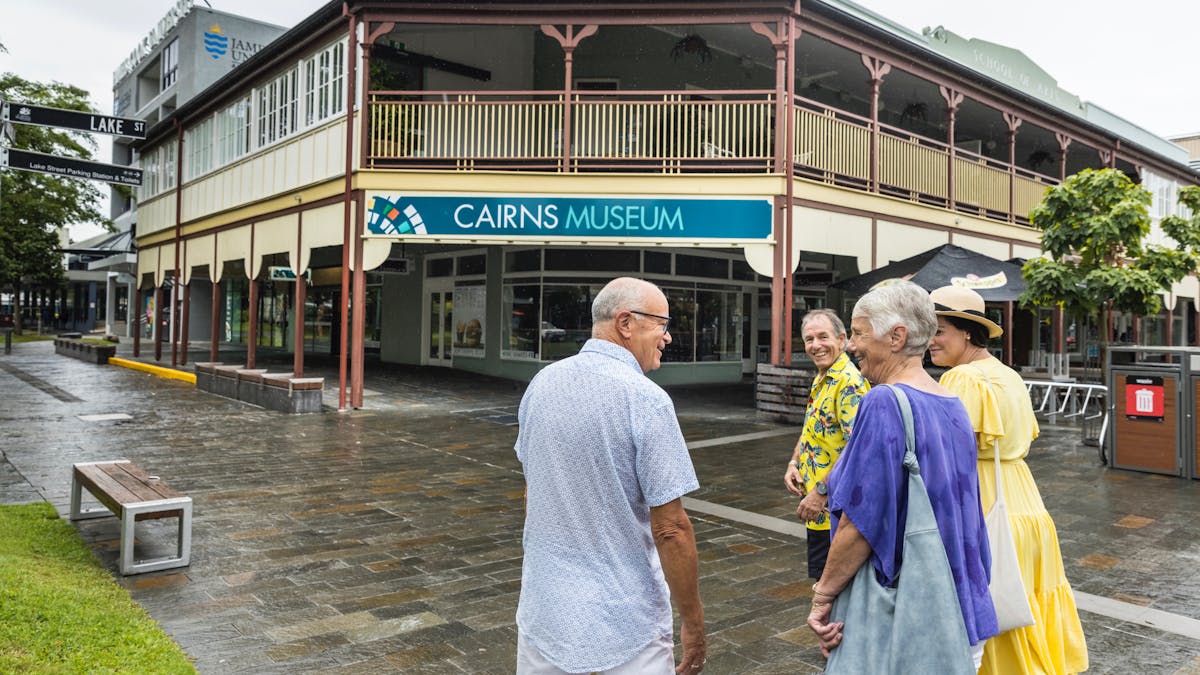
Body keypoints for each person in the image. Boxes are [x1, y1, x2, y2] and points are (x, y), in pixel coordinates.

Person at [514, 277, 707, 674]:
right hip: (624, 628)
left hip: (543, 616)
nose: (668, 337)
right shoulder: (646, 399)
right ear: (625, 323)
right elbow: (671, 528)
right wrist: (693, 623)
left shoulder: (541, 384)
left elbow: (533, 491)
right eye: (662, 324)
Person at [807, 280, 998, 669]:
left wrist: (823, 595)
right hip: (959, 605)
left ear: (897, 336)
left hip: (906, 614)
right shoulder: (952, 402)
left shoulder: (883, 402)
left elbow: (862, 523)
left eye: (859, 333)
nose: (851, 345)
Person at [928, 285, 1089, 674]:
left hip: (984, 501)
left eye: (938, 330)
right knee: (1026, 600)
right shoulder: (1009, 375)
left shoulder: (963, 379)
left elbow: (947, 453)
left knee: (993, 607)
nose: (929, 341)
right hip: (1026, 503)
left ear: (967, 331)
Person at [783, 309, 869, 579]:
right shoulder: (823, 377)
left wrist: (820, 492)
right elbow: (812, 428)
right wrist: (794, 462)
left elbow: (858, 449)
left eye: (823, 336)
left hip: (836, 511)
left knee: (833, 591)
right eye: (809, 339)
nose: (816, 345)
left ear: (842, 339)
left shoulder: (848, 384)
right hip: (819, 512)